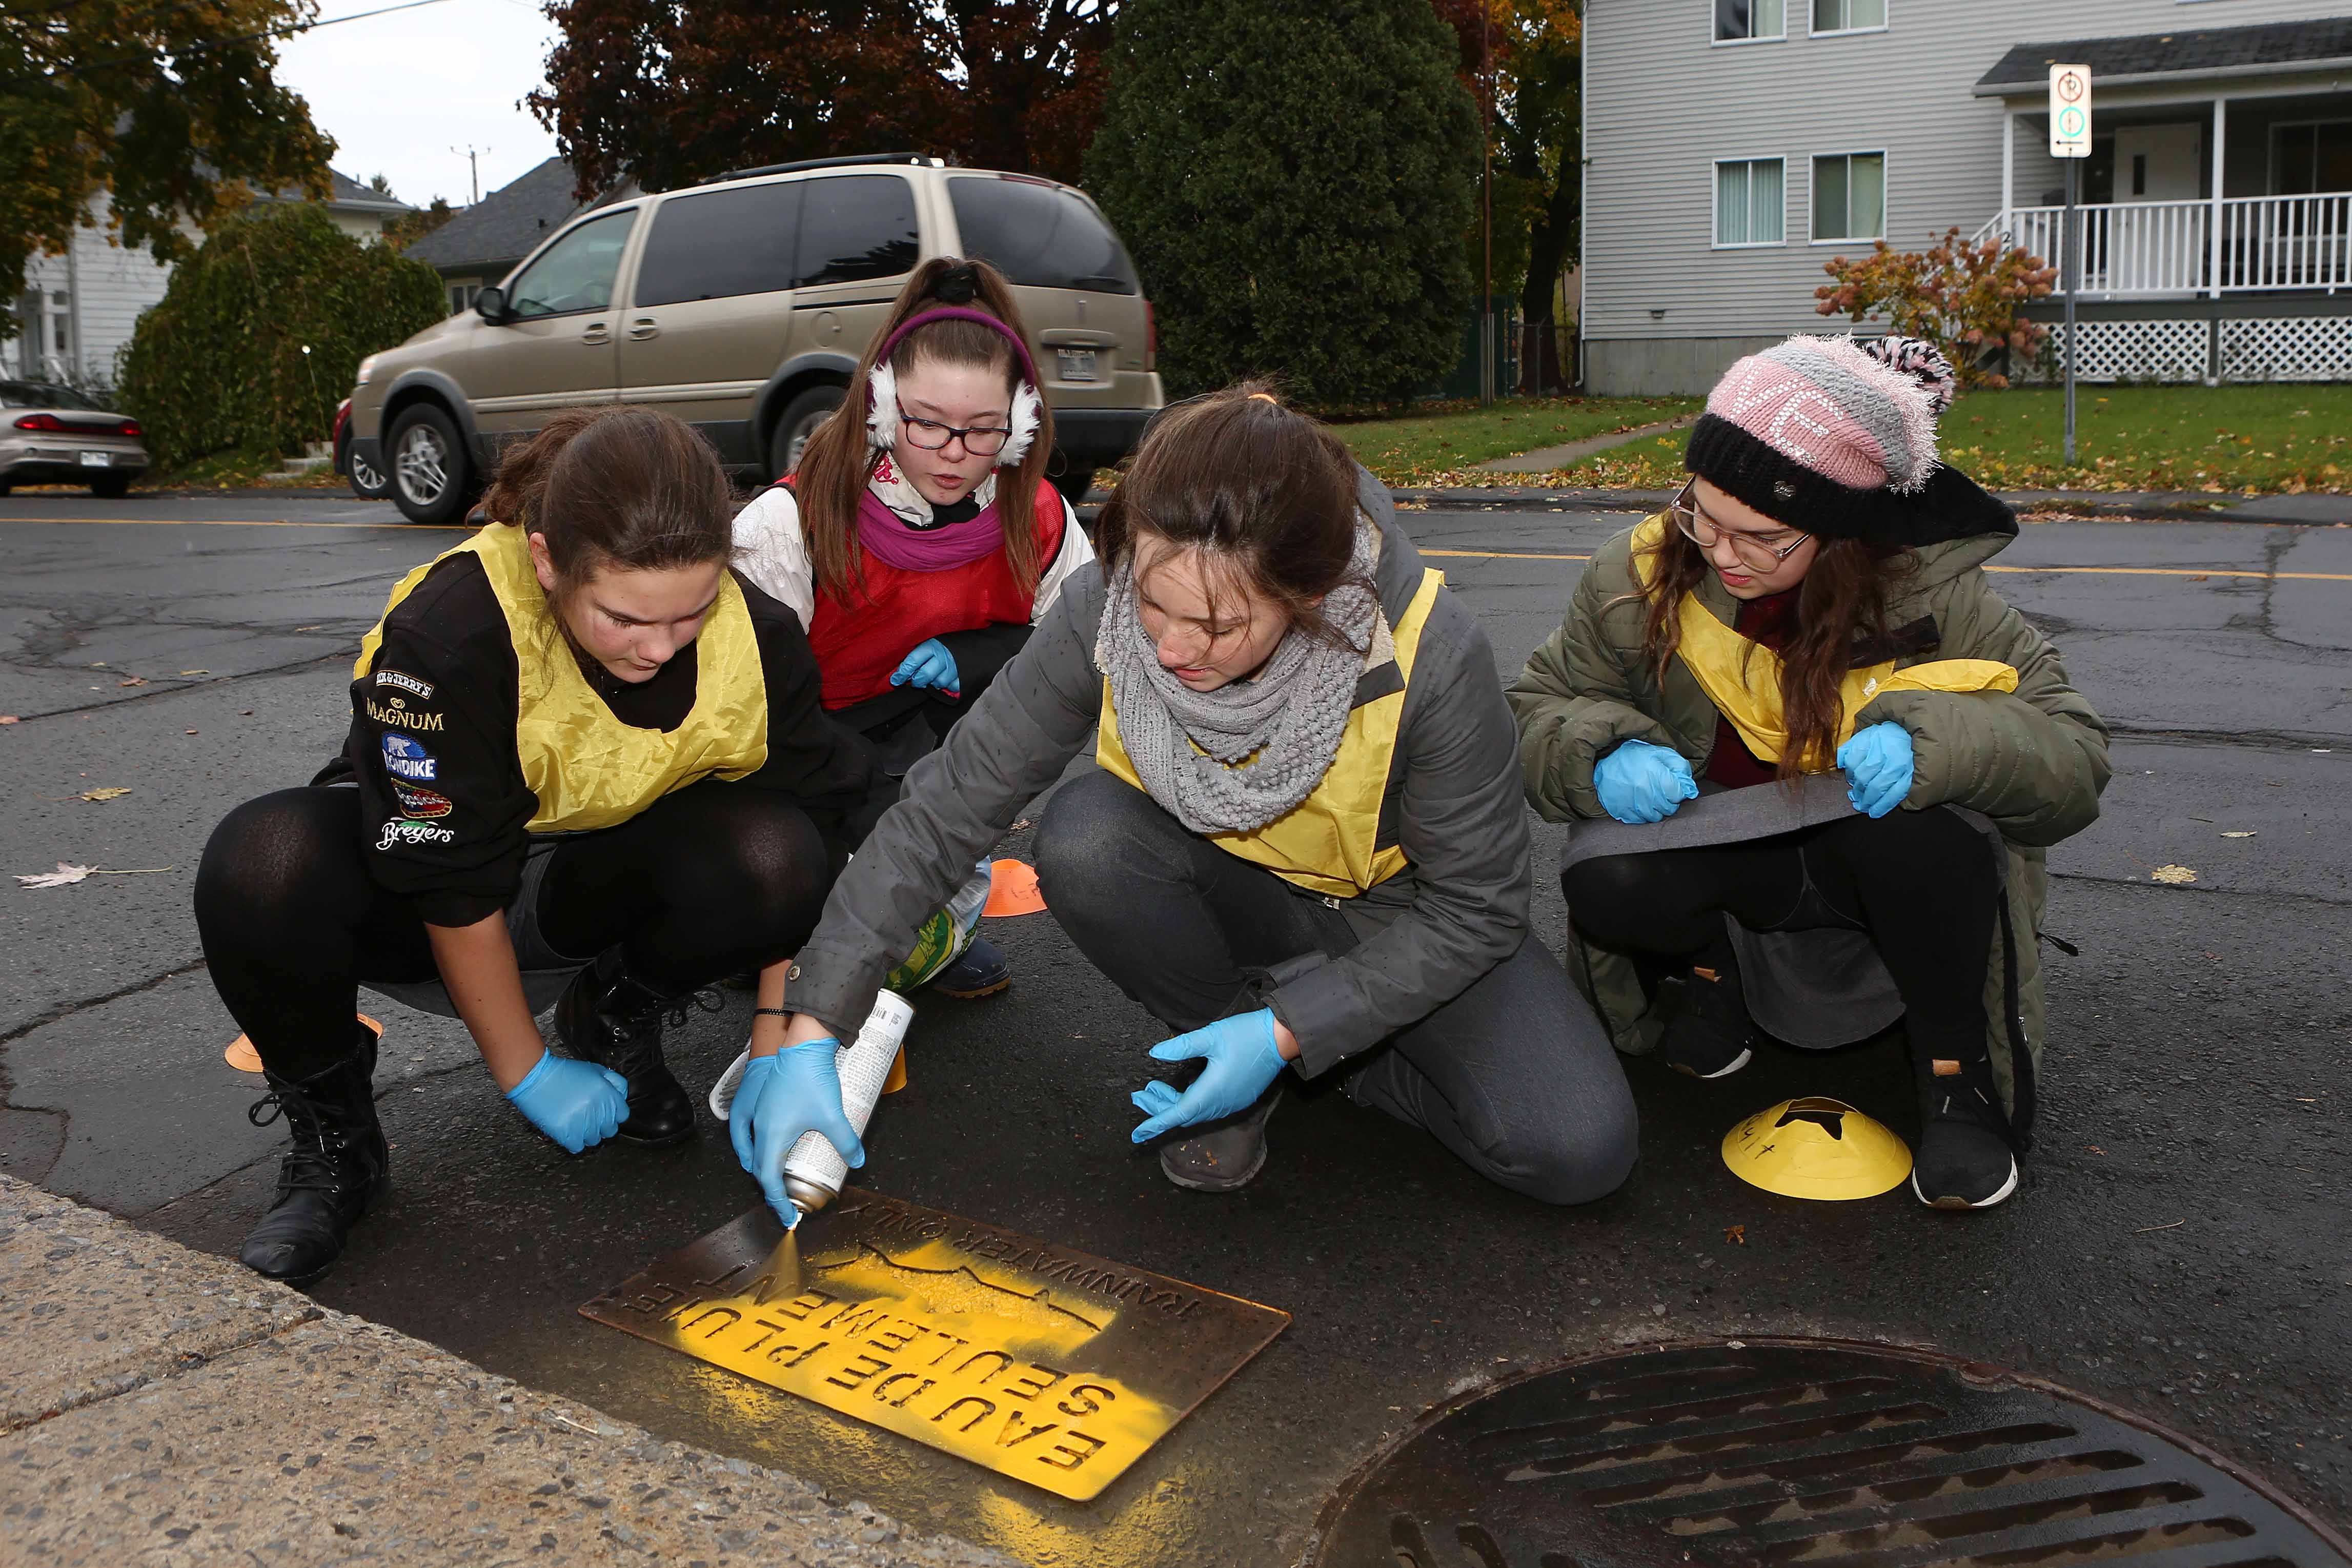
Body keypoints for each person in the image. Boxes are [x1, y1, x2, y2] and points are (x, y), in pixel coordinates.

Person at [726, 385, 1640, 1228]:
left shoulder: (1430, 651)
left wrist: (1296, 1031)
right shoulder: (1104, 609)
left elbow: (1478, 909)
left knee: (1574, 1150)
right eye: (1157, 606)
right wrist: (814, 1028)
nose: (1169, 649)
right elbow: (945, 811)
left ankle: (1295, 1051)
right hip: (1228, 897)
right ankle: (1247, 1046)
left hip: (1403, 922)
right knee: (1085, 836)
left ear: (1311, 596)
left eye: (1220, 626)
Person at [193, 406, 887, 1286]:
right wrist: (525, 1074)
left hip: (588, 897)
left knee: (780, 853)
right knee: (261, 861)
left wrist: (777, 1039)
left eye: (692, 612)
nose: (661, 646)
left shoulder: (757, 635)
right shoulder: (452, 629)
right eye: (625, 619)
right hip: (423, 903)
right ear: (548, 558)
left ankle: (614, 1014)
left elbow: (816, 822)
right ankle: (338, 1138)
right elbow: (449, 880)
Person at [1508, 335, 2110, 1211]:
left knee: (1922, 829)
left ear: (1842, 534)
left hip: (1878, 876)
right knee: (1607, 869)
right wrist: (1594, 750)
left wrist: (1941, 742)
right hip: (1741, 864)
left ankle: (1953, 1073)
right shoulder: (1634, 574)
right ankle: (1714, 982)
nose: (1721, 553)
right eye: (1701, 515)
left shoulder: (1931, 598)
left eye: (1762, 536)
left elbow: (2077, 759)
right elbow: (1538, 707)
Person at [733, 257, 1094, 1000]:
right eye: (926, 423)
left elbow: (1088, 653)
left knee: (957, 776)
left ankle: (930, 921)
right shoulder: (789, 521)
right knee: (789, 878)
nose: (954, 454)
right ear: (881, 405)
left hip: (928, 745)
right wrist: (866, 800)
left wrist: (983, 651)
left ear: (1021, 422)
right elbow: (738, 706)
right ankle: (784, 926)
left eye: (983, 430)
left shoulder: (1042, 518)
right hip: (802, 751)